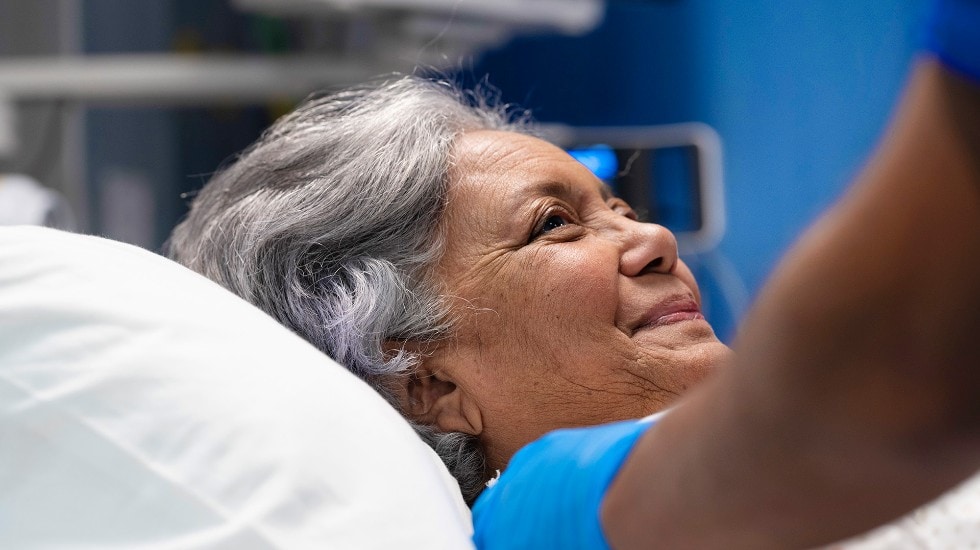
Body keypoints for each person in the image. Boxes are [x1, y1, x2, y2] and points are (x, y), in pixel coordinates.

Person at [168, 0, 980, 545]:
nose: (655, 237)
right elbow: (884, 388)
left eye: (619, 207)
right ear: (426, 384)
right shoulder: (538, 517)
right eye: (554, 226)